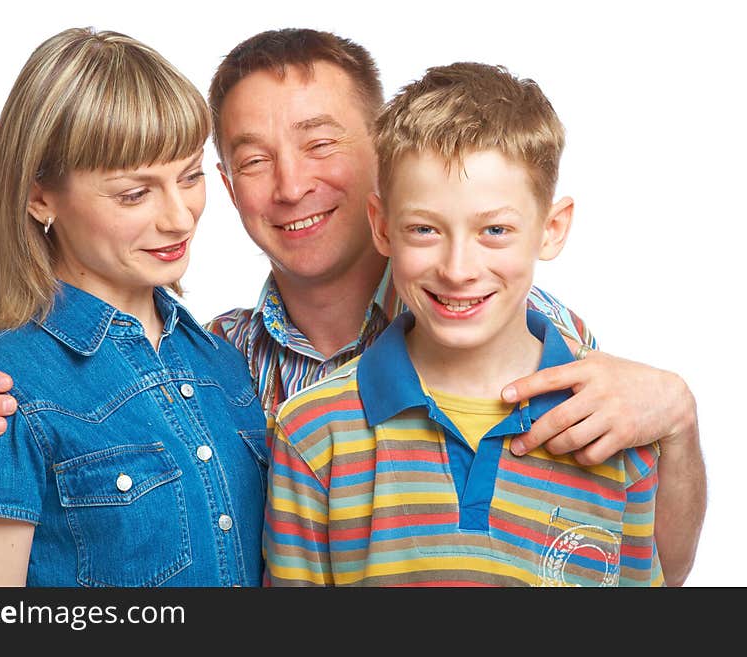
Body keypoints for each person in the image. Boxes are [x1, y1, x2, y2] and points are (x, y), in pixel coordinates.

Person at [0, 28, 705, 585]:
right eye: (251, 159)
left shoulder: (533, 329)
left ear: (382, 160)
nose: (289, 185)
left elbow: (646, 562)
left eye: (321, 143)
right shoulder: (224, 357)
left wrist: (677, 414)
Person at [265, 61, 663, 586]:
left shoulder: (615, 431)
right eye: (425, 229)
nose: (457, 269)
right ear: (383, 227)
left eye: (494, 229)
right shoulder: (313, 433)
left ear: (552, 228)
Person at [0, 27, 267, 586]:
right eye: (135, 193)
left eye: (191, 176)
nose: (179, 218)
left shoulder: (223, 364)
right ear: (39, 197)